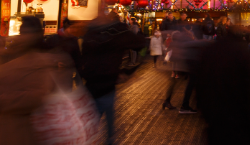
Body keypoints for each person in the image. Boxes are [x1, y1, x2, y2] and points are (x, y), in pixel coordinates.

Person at [0, 17, 73, 144]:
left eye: (27, 33)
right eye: (23, 32)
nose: (23, 37)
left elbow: (38, 96)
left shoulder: (43, 62)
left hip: (23, 131)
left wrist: (4, 99)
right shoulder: (12, 54)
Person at [195, 25, 250, 144]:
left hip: (217, 121)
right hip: (240, 123)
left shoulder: (211, 51)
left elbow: (200, 86)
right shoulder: (242, 52)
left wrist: (207, 114)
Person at [81, 11, 146, 144]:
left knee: (96, 117)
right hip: (105, 82)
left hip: (94, 82)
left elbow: (83, 56)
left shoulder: (91, 32)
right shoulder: (118, 32)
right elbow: (143, 46)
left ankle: (101, 139)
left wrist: (127, 70)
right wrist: (128, 71)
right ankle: (107, 139)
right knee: (106, 115)